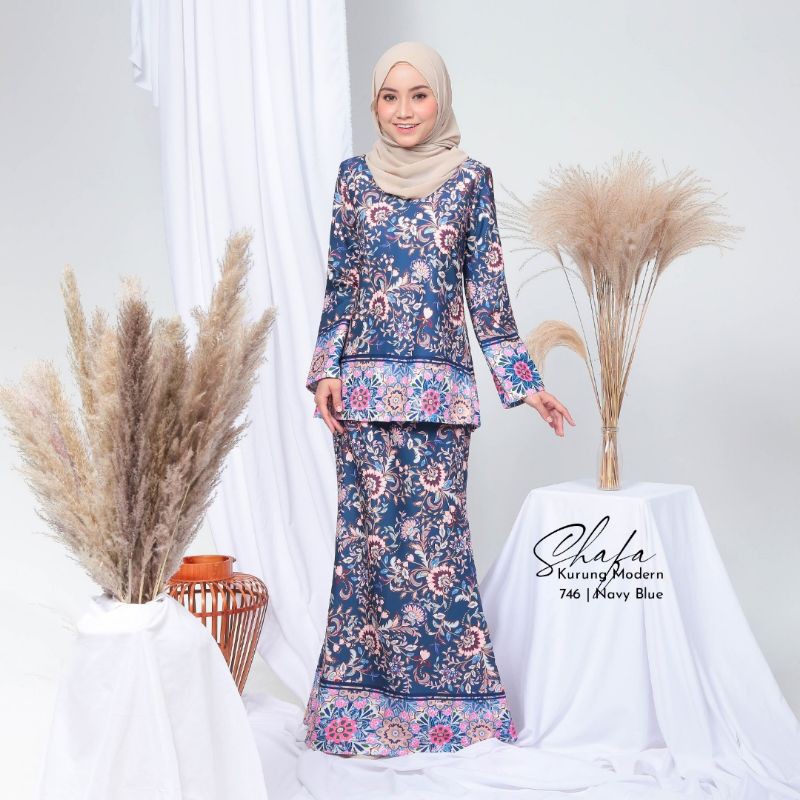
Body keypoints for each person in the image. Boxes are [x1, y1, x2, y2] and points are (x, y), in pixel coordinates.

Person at [302, 41, 575, 758]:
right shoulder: (354, 180)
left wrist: (525, 383)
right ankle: (361, 718)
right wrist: (325, 367)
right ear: (374, 104)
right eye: (390, 97)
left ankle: (454, 719)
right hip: (361, 400)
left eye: (418, 95)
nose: (404, 111)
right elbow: (342, 283)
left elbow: (488, 294)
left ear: (441, 99)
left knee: (436, 560)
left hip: (439, 404)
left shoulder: (470, 181)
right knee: (366, 560)